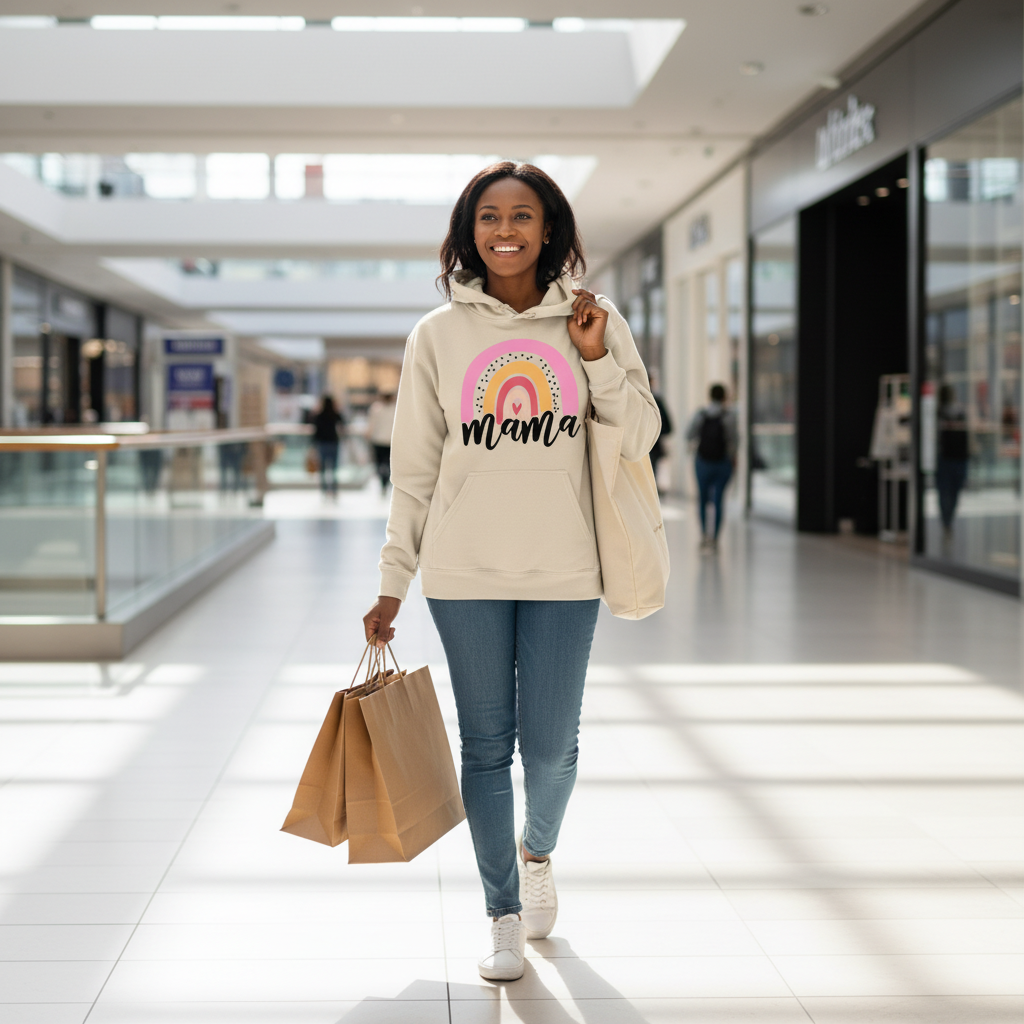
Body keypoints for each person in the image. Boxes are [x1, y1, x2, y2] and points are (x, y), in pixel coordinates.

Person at [362, 162, 660, 983]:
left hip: (568, 565)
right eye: (488, 216)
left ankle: (538, 853)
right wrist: (394, 578)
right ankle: (500, 911)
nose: (505, 231)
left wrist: (596, 358)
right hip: (464, 571)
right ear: (469, 231)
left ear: (549, 229)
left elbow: (638, 434)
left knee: (553, 749)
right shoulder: (438, 335)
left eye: (521, 216)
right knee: (486, 747)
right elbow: (414, 469)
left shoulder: (596, 321)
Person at [686, 383, 738, 551]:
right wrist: (732, 459)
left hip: (702, 462)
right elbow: (734, 441)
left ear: (710, 396)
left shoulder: (701, 415)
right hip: (722, 463)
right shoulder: (729, 416)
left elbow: (689, 435)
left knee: (702, 499)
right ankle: (715, 538)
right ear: (724, 397)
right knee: (718, 500)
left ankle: (703, 535)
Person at [936, 384, 969, 541]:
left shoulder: (958, 413)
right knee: (948, 492)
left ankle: (947, 520)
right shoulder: (940, 414)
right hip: (950, 458)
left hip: (954, 458)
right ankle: (947, 520)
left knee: (949, 492)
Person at [311, 395, 344, 497]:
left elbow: (315, 431)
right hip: (333, 442)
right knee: (333, 469)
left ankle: (324, 490)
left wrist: (313, 445)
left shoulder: (319, 415)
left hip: (322, 443)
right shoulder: (335, 414)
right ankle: (333, 490)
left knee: (323, 469)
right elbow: (343, 423)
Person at [366, 391, 397, 496]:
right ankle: (386, 482)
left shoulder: (376, 408)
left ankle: (383, 483)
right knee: (390, 464)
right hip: (390, 441)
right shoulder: (395, 409)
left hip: (378, 440)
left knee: (379, 464)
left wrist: (368, 436)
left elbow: (371, 425)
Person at [649, 391, 673, 493]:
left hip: (633, 447)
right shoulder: (656, 401)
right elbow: (668, 427)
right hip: (653, 446)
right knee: (651, 475)